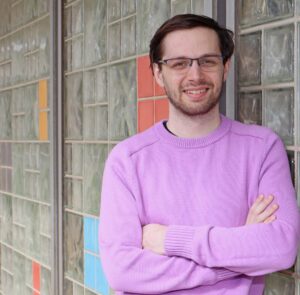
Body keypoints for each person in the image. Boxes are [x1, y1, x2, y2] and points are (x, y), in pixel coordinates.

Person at [98, 14, 299, 295]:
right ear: (157, 73)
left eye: (208, 61)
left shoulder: (262, 149)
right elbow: (122, 272)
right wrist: (238, 254)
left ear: (225, 67)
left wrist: (170, 239)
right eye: (179, 63)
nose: (195, 75)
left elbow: (280, 249)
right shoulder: (127, 161)